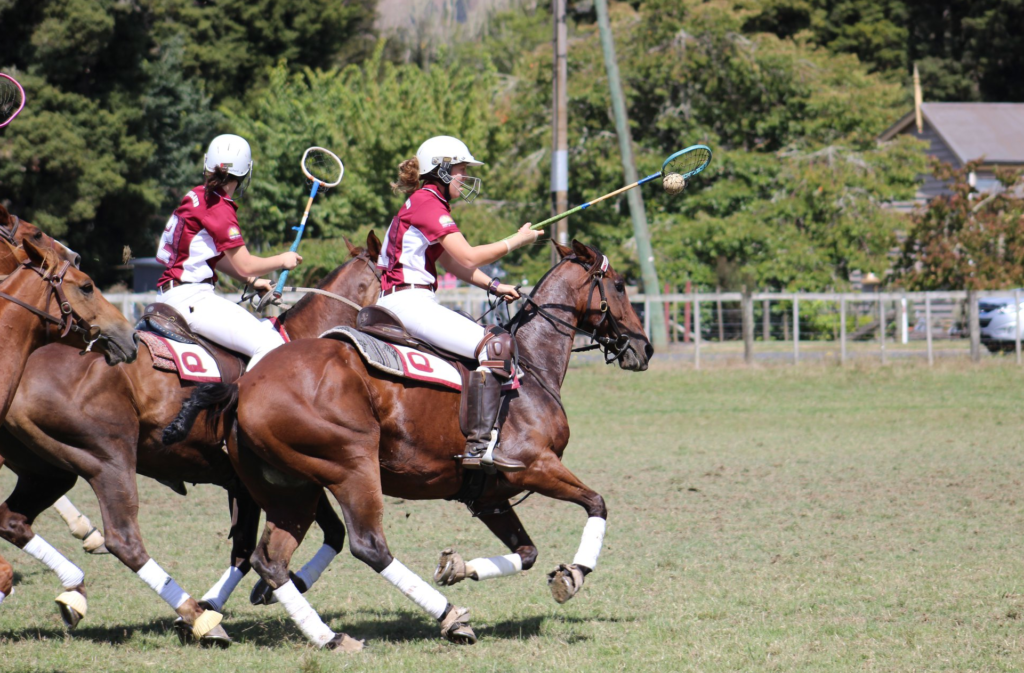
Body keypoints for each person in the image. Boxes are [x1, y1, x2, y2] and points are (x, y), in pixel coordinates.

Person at [376, 135, 541, 472]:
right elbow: (467, 253)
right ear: (444, 169)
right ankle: (479, 447)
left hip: (406, 299)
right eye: (462, 169)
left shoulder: (426, 202)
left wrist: (493, 284)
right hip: (409, 302)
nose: (465, 177)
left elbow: (452, 263)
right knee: (493, 346)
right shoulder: (427, 203)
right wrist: (517, 241)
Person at [154, 134, 302, 372]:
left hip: (168, 295)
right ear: (246, 173)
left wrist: (251, 281)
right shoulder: (220, 208)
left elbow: (211, 256)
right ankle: (245, 408)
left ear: (207, 164)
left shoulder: (197, 195)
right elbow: (245, 263)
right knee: (270, 343)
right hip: (191, 299)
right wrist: (282, 259)